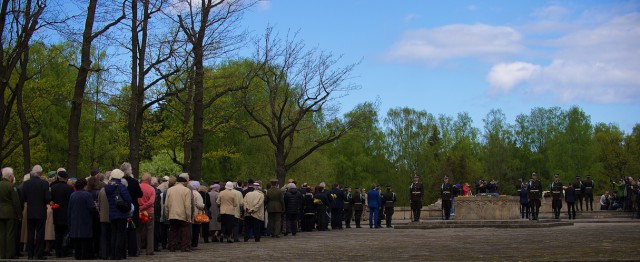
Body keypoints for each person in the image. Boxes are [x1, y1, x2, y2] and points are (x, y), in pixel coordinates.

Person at [22, 165, 51, 260]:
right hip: (41, 211)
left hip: (30, 211)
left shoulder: (26, 184)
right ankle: (39, 254)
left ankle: (30, 254)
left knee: (30, 233)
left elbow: (23, 198)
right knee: (40, 233)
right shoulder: (44, 183)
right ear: (40, 173)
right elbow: (47, 198)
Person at [104, 169, 133, 260]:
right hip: (121, 213)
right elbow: (128, 199)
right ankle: (118, 254)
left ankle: (112, 254)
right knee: (120, 235)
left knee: (113, 234)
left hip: (112, 213)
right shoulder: (121, 186)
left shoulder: (108, 187)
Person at [68, 178, 97, 260]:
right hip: (85, 220)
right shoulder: (87, 195)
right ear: (84, 185)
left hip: (75, 220)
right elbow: (91, 208)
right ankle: (86, 256)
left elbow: (69, 209)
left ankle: (77, 256)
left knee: (77, 242)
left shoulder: (73, 195)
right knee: (85, 241)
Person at [165, 176, 193, 251]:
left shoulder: (170, 190)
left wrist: (167, 214)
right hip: (182, 214)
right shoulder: (186, 190)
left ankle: (172, 246)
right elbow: (187, 205)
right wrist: (188, 216)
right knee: (185, 231)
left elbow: (166, 204)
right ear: (184, 183)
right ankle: (184, 247)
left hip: (172, 214)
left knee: (173, 230)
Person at [50, 168, 73, 258]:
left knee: (58, 233)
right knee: (66, 234)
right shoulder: (69, 188)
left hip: (56, 212)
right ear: (65, 178)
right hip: (66, 213)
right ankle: (64, 251)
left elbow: (51, 200)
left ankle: (58, 251)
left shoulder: (53, 188)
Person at [121, 162, 142, 257]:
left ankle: (122, 249)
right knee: (132, 229)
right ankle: (132, 251)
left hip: (121, 207)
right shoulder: (134, 182)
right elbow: (140, 194)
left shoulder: (119, 181)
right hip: (133, 207)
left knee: (121, 229)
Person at [0, 167, 21, 259]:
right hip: (10, 213)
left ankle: (1, 254)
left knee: (2, 234)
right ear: (10, 176)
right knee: (10, 234)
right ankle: (10, 254)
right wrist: (19, 214)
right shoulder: (11, 186)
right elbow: (16, 202)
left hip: (0, 212)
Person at [137, 173, 155, 255]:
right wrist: (145, 206)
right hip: (149, 212)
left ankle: (138, 248)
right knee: (150, 230)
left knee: (139, 230)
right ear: (149, 180)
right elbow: (151, 201)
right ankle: (149, 250)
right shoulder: (151, 189)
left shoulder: (138, 187)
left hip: (140, 212)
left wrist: (141, 207)